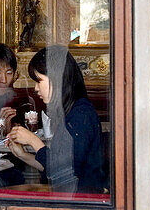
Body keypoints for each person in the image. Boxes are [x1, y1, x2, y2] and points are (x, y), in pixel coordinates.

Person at [7, 45, 105, 193]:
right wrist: (24, 155)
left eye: (39, 81)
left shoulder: (81, 115)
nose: (35, 88)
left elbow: (65, 170)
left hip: (83, 203)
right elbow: (54, 168)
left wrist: (33, 140)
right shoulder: (72, 112)